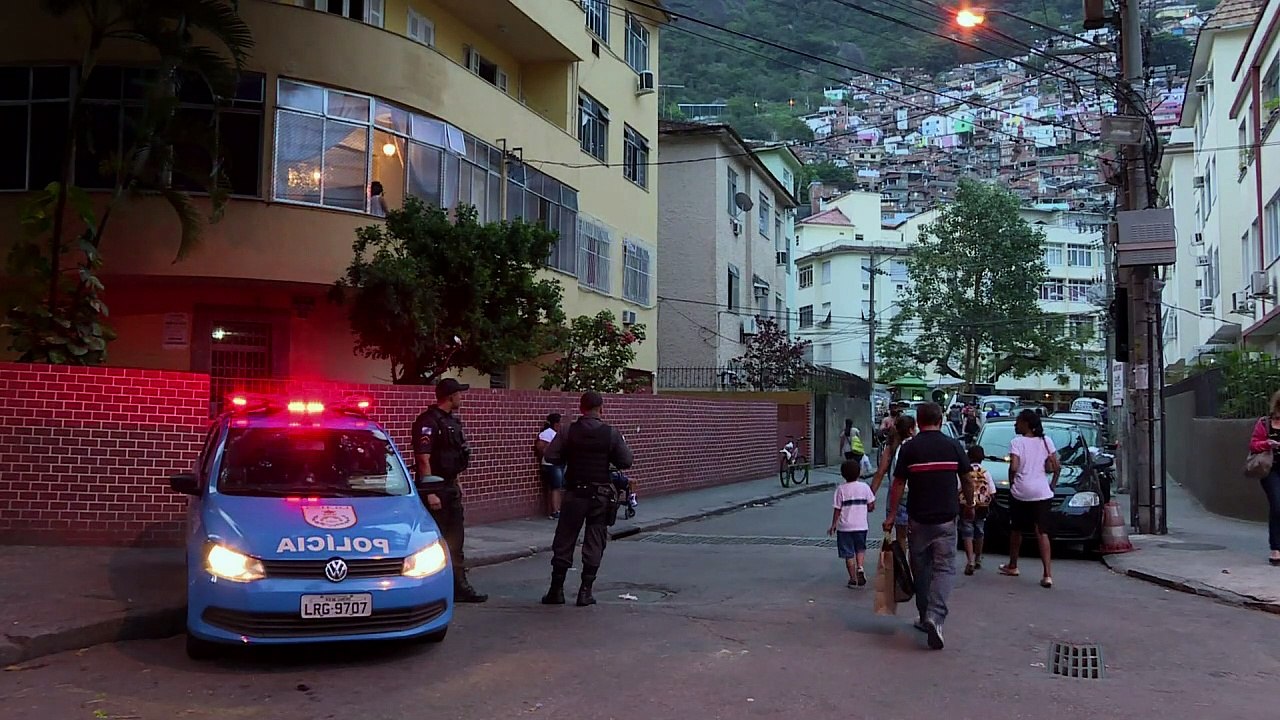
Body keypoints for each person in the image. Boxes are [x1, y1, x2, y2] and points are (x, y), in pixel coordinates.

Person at [883, 402, 973, 651]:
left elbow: (898, 484)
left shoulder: (910, 448)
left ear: (919, 422)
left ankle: (925, 617)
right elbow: (966, 478)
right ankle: (935, 616)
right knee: (944, 569)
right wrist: (970, 504)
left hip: (917, 519)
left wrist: (891, 515)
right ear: (940, 420)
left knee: (920, 569)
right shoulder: (953, 445)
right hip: (946, 519)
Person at [541, 391, 634, 607]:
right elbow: (626, 460)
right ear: (601, 408)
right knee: (594, 540)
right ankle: (585, 591)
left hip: (575, 493)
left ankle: (556, 590)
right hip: (600, 495)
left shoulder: (567, 431)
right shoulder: (610, 433)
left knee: (565, 539)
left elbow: (550, 456)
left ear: (581, 408)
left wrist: (570, 456)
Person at [412, 378, 487, 603]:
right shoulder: (428, 422)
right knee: (436, 542)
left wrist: (456, 481)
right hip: (436, 489)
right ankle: (433, 589)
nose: (461, 398)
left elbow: (453, 457)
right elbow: (423, 459)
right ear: (450, 396)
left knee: (456, 540)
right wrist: (430, 491)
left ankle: (458, 586)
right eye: (459, 394)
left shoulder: (451, 421)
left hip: (449, 485)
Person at [999, 409, 1060, 588]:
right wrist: (1052, 487)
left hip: (1021, 491)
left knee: (1016, 529)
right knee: (1042, 532)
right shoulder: (1046, 441)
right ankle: (1047, 574)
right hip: (1042, 492)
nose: (1015, 424)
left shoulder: (1017, 442)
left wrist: (1012, 484)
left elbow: (1014, 467)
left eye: (1018, 421)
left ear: (1026, 424)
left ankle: (1013, 565)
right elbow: (1056, 467)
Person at [871, 413, 917, 551]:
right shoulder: (916, 445)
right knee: (915, 535)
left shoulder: (891, 447)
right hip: (915, 493)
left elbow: (880, 472)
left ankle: (902, 567)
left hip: (896, 495)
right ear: (910, 429)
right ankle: (915, 566)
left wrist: (871, 494)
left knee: (900, 535)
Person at [828, 458, 876, 588]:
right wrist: (868, 507)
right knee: (860, 548)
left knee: (848, 553)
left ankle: (852, 578)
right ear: (859, 472)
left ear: (843, 474)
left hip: (845, 527)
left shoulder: (841, 489)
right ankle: (860, 567)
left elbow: (837, 509)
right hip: (861, 525)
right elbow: (871, 505)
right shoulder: (864, 487)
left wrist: (833, 525)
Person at [1247, 391, 1280, 566]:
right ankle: (1275, 548)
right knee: (1277, 505)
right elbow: (1253, 444)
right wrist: (1268, 443)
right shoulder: (1265, 423)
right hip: (1271, 469)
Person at [960, 444, 996, 575]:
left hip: (967, 505)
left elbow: (958, 488)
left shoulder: (965, 472)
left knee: (967, 532)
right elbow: (992, 492)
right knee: (979, 530)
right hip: (982, 507)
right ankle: (978, 557)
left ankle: (970, 560)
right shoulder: (985, 473)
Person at [536, 413, 565, 520]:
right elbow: (540, 447)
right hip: (551, 464)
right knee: (556, 487)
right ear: (556, 423)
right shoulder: (547, 434)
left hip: (557, 463)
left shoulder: (556, 433)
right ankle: (555, 510)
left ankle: (557, 509)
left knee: (558, 487)